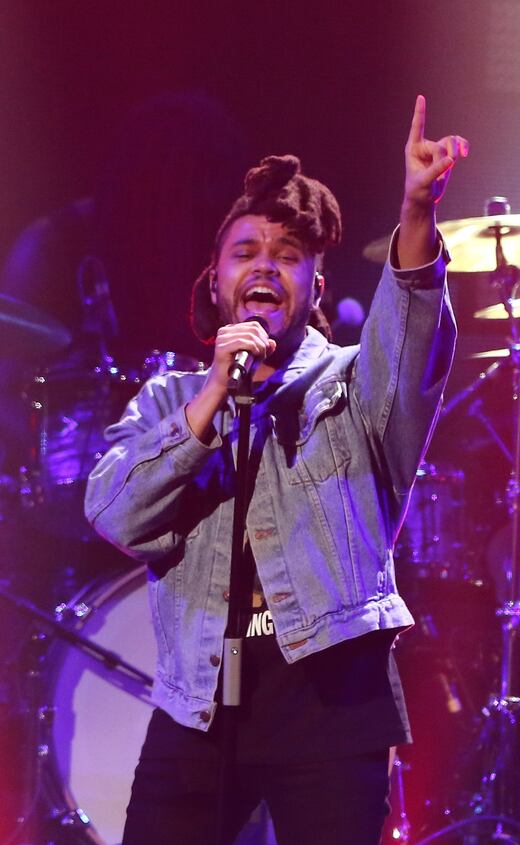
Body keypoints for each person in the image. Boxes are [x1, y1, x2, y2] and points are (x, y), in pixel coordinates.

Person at [85, 95, 468, 845]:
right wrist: (213, 397)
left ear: (315, 289)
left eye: (288, 254)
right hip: (196, 698)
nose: (266, 264)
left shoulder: (359, 389)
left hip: (331, 700)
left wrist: (417, 210)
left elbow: (413, 325)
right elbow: (115, 512)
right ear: (216, 280)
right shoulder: (171, 398)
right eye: (246, 251)